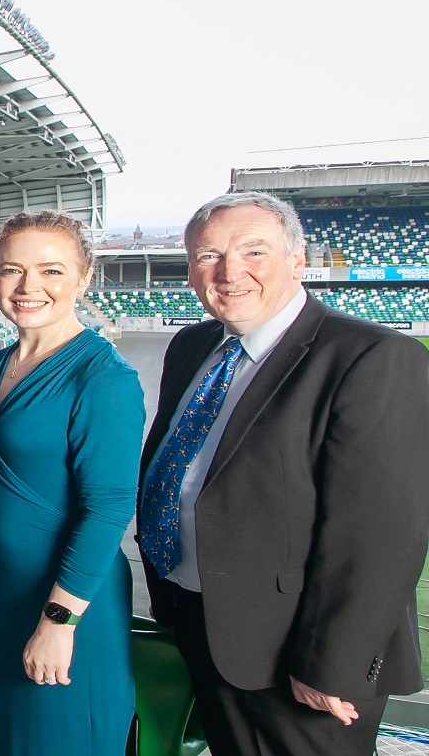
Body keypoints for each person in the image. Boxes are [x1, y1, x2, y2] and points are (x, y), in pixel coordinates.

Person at [138, 191, 429, 755]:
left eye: (254, 252)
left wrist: (330, 664)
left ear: (298, 261)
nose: (229, 273)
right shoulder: (194, 345)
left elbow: (381, 534)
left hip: (301, 654)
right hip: (205, 622)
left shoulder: (371, 358)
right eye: (207, 256)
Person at [0, 212, 144, 754]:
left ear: (83, 278)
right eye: (11, 271)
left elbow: (108, 509)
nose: (28, 287)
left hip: (65, 601)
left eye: (51, 271)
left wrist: (59, 622)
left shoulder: (104, 377)